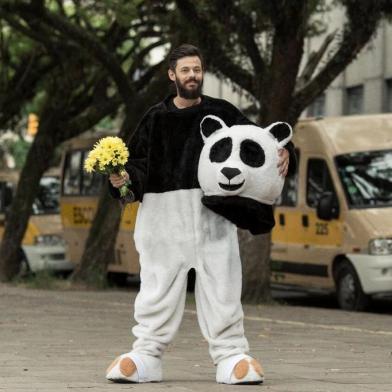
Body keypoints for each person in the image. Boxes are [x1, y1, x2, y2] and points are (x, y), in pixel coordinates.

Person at [106, 44, 295, 385]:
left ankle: (231, 354)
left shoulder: (222, 111)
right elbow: (136, 164)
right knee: (156, 287)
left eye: (197, 69)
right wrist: (122, 179)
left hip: (212, 216)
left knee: (222, 284)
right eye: (186, 70)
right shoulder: (154, 118)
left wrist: (284, 150)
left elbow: (258, 139)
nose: (192, 75)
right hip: (163, 218)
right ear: (172, 75)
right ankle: (145, 354)